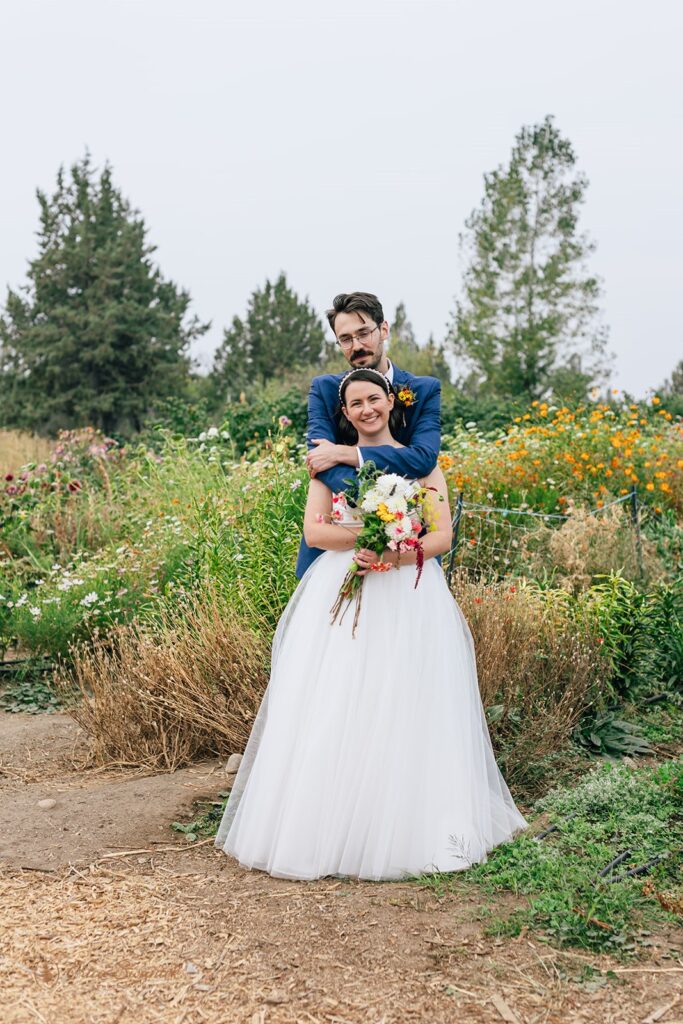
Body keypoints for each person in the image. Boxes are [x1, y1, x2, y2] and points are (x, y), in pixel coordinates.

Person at [214, 367, 528, 881]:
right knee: (340, 696)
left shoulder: (423, 466)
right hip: (344, 587)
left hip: (410, 592)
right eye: (355, 403)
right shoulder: (326, 470)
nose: (366, 409)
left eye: (373, 398)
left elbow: (442, 536)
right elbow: (315, 532)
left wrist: (395, 553)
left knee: (408, 698)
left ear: (389, 401)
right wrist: (364, 542)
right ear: (346, 414)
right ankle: (331, 826)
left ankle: (409, 825)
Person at [296, 291, 441, 578]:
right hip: (334, 555)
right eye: (346, 339)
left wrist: (346, 453)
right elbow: (320, 463)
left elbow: (423, 459)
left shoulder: (423, 390)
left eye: (364, 333)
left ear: (383, 329)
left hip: (405, 551)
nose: (357, 345)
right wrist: (379, 517)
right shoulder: (325, 390)